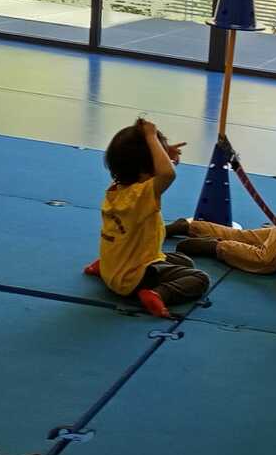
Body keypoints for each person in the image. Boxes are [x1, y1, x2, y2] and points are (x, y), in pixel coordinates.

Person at [85, 118, 209, 317]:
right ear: (145, 171)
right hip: (134, 278)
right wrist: (151, 136)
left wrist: (162, 150)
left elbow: (145, 164)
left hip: (114, 267)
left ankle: (105, 268)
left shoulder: (117, 189)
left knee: (184, 261)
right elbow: (167, 175)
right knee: (199, 278)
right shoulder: (141, 196)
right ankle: (157, 294)